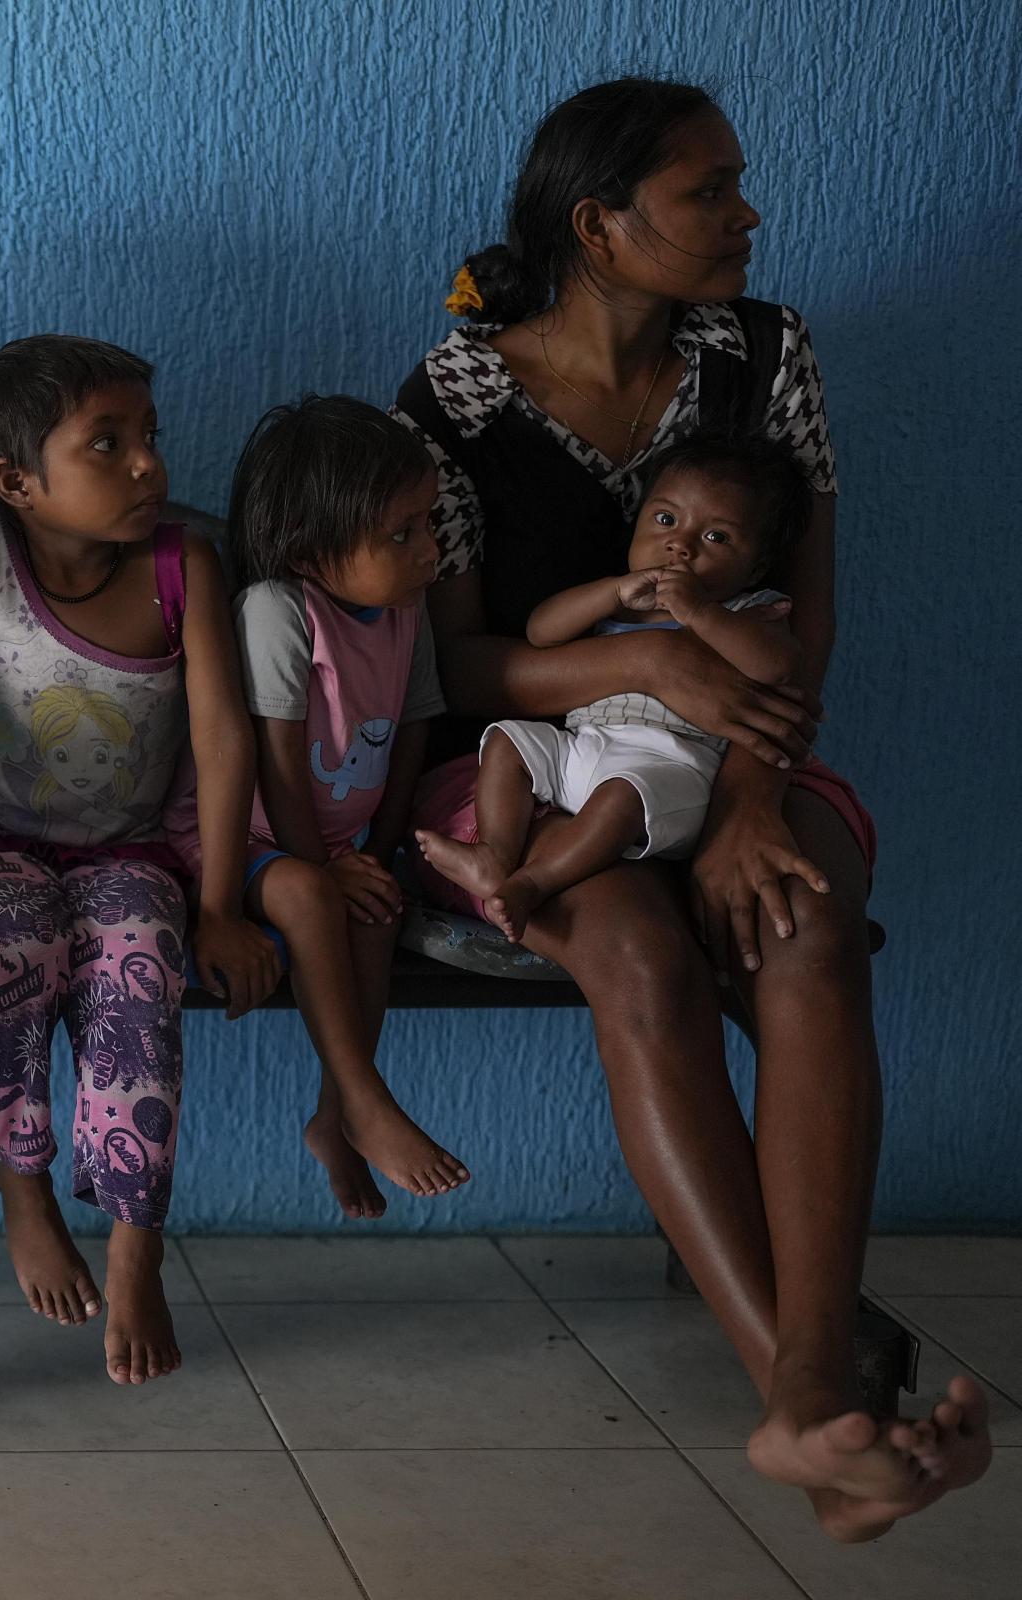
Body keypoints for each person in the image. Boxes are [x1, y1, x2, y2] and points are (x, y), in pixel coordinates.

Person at [394, 76, 987, 1539]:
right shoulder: (454, 395)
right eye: (710, 192)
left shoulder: (764, 352)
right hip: (536, 769)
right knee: (643, 960)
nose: (749, 215)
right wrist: (647, 653)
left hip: (751, 754)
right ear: (601, 224)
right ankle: (805, 1401)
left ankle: (810, 1397)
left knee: (801, 932)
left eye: (736, 184)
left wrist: (746, 804)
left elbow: (813, 618)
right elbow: (460, 662)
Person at [0, 335, 279, 1383]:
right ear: (18, 482)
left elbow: (222, 735)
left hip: (135, 850)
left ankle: (136, 1241)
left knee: (140, 975)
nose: (149, 464)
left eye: (147, 437)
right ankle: (23, 1186)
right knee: (15, 955)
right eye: (107, 444)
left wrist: (217, 908)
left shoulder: (183, 565)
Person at [224, 397, 469, 1217]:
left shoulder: (408, 609)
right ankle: (368, 1103)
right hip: (251, 837)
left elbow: (412, 732)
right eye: (402, 534)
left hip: (344, 841)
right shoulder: (278, 610)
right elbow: (276, 762)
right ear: (308, 551)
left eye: (427, 523)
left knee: (376, 911)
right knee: (308, 894)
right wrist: (326, 862)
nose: (431, 549)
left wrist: (381, 852)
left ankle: (336, 1118)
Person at [419, 434, 804, 938]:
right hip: (583, 749)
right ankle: (493, 853)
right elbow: (541, 631)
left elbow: (776, 665)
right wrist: (610, 593)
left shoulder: (749, 611)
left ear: (755, 566)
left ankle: (535, 881)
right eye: (665, 520)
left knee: (620, 797)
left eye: (716, 538)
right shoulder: (626, 596)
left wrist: (699, 613)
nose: (680, 545)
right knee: (506, 740)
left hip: (669, 770)